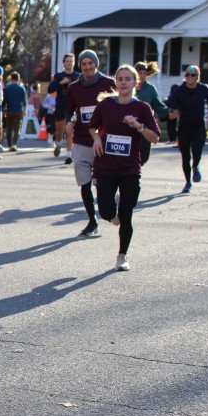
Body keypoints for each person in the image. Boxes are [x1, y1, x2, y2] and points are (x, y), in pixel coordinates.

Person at [89, 65, 160, 271]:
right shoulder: (106, 105)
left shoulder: (142, 108)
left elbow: (155, 137)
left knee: (127, 213)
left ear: (135, 82)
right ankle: (113, 215)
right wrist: (96, 139)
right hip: (107, 165)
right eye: (120, 79)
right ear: (116, 82)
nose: (123, 82)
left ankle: (122, 256)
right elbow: (92, 127)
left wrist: (139, 126)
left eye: (128, 79)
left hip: (130, 167)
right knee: (105, 211)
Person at [65, 49, 115, 236]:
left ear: (96, 64)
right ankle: (92, 220)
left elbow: (118, 105)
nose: (87, 67)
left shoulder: (108, 84)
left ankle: (110, 206)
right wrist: (70, 122)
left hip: (103, 140)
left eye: (90, 63)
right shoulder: (74, 88)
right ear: (80, 66)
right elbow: (69, 110)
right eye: (84, 64)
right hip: (81, 139)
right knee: (84, 182)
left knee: (102, 182)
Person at [167, 65, 208, 193]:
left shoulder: (203, 88)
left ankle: (195, 166)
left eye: (193, 75)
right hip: (184, 126)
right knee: (185, 156)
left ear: (197, 77)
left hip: (199, 125)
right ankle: (188, 182)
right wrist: (171, 113)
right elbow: (171, 104)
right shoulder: (179, 90)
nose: (190, 77)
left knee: (197, 150)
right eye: (187, 74)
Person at [133, 61, 169, 164]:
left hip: (145, 126)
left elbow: (158, 105)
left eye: (144, 73)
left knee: (143, 156)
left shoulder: (150, 89)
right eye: (140, 73)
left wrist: (169, 112)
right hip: (130, 125)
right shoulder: (129, 86)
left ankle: (136, 168)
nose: (142, 76)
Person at [49, 53, 80, 162]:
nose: (69, 63)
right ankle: (58, 143)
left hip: (73, 107)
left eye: (71, 61)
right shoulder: (58, 76)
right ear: (64, 63)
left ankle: (69, 155)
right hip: (61, 106)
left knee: (70, 130)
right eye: (67, 61)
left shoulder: (78, 76)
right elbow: (50, 89)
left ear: (74, 63)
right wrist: (61, 82)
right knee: (60, 131)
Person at [2, 72, 27, 151]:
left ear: (11, 79)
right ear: (18, 79)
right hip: (18, 110)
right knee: (17, 128)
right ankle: (14, 144)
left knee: (9, 128)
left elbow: (4, 101)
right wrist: (24, 110)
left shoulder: (7, 88)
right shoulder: (21, 88)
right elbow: (24, 101)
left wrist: (4, 110)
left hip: (9, 110)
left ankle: (9, 144)